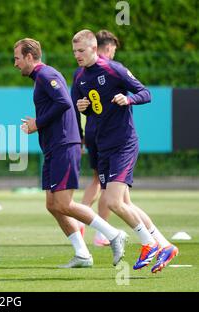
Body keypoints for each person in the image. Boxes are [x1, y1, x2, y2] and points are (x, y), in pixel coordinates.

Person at [14, 38, 127, 269]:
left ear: (28, 57)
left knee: (64, 203)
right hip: (54, 148)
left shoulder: (46, 75)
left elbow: (65, 102)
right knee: (53, 205)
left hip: (64, 146)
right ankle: (82, 254)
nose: (15, 64)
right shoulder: (40, 79)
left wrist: (38, 123)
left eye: (16, 58)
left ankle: (114, 234)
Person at [72, 30, 178, 273]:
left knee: (112, 201)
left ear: (93, 48)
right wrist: (83, 107)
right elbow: (89, 111)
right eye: (74, 51)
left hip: (123, 143)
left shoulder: (113, 69)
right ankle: (165, 245)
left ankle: (148, 244)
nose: (77, 55)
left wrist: (128, 100)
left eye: (81, 51)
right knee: (125, 202)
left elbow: (145, 93)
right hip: (101, 147)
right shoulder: (78, 78)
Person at [75, 30, 121, 246]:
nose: (113, 53)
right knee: (108, 186)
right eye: (112, 49)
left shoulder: (81, 72)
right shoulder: (108, 70)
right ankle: (103, 232)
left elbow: (75, 108)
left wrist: (81, 135)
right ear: (105, 47)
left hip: (92, 132)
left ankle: (80, 221)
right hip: (108, 135)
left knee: (97, 180)